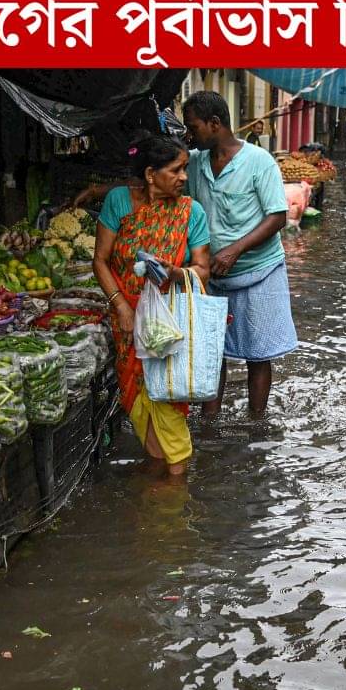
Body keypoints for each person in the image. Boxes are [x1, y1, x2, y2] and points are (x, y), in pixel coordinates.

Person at [92, 134, 212, 477]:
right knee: (136, 398)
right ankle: (160, 481)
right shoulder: (119, 202)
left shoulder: (192, 212)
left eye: (185, 169)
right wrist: (122, 308)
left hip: (168, 324)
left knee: (169, 398)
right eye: (176, 170)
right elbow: (100, 261)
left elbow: (202, 270)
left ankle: (174, 488)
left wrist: (175, 273)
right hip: (127, 321)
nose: (184, 177)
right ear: (150, 174)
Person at [181, 91, 297, 419]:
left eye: (194, 127)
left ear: (215, 124)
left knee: (258, 354)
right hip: (214, 276)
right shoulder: (195, 161)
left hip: (260, 270)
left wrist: (234, 249)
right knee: (212, 352)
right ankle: (210, 423)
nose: (190, 135)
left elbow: (277, 216)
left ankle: (257, 423)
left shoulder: (259, 162)